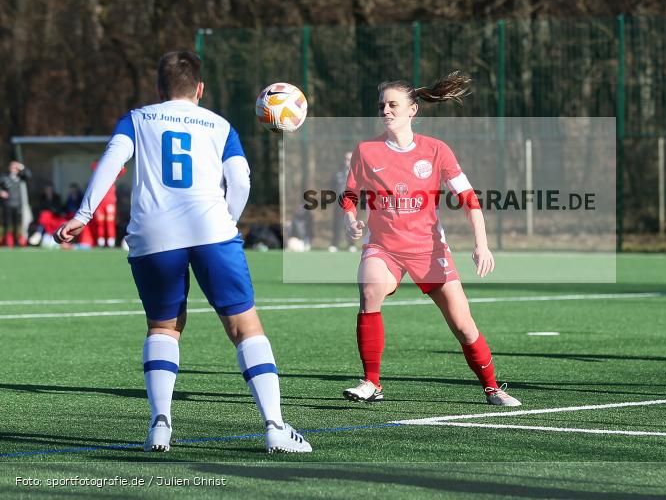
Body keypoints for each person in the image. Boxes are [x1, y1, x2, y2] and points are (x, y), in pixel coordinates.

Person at [54, 51, 311, 453]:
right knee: (245, 327)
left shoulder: (138, 118)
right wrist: (226, 219)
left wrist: (82, 215)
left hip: (154, 235)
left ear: (159, 89)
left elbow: (112, 161)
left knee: (164, 328)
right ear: (200, 89)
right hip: (211, 230)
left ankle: (160, 425)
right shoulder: (220, 124)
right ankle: (275, 426)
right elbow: (240, 179)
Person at [338, 71, 520, 407]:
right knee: (370, 288)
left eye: (394, 105)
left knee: (464, 327)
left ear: (413, 111)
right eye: (382, 106)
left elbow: (469, 199)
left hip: (428, 249)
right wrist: (351, 221)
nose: (386, 111)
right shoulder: (366, 150)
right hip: (384, 248)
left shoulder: (436, 150)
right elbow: (349, 196)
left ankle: (493, 387)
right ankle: (371, 382)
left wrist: (482, 244)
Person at [329, 152, 357, 252]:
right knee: (337, 224)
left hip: (353, 204)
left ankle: (351, 245)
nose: (347, 161)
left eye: (349, 159)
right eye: (346, 159)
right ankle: (334, 244)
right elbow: (332, 187)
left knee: (352, 223)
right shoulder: (338, 173)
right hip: (339, 204)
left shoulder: (358, 174)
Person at [0, 161, 32, 247]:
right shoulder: (4, 177)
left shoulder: (21, 177)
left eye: (16, 167)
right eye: (13, 167)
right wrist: (1, 192)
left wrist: (22, 167)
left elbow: (29, 175)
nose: (14, 169)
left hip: (18, 204)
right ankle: (6, 242)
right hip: (7, 204)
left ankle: (16, 242)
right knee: (6, 223)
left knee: (17, 225)